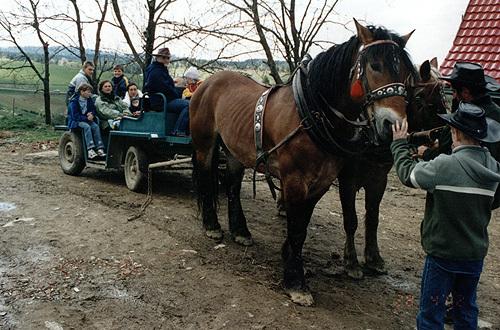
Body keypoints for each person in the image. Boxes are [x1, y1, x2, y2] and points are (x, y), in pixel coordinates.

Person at [391, 102, 500, 330]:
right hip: (473, 256)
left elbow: (407, 175)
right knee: (465, 309)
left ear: (456, 132)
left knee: (432, 313)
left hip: (443, 256)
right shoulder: (494, 169)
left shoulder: (445, 166)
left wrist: (399, 144)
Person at [417, 62, 500, 161]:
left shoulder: (465, 118)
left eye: (454, 91)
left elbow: (449, 158)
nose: (454, 96)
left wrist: (426, 153)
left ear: (465, 92)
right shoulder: (496, 112)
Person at [143, 47, 190, 136]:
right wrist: (178, 93)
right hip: (161, 101)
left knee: (187, 102)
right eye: (164, 57)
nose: (167, 60)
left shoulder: (160, 69)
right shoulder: (156, 71)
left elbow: (167, 86)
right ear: (158, 58)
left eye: (168, 57)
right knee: (189, 105)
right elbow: (165, 88)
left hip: (164, 99)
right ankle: (178, 130)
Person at [67, 83, 106, 159]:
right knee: (86, 127)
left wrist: (92, 115)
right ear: (82, 92)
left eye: (90, 92)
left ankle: (99, 148)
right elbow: (75, 116)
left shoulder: (89, 100)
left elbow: (93, 109)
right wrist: (86, 118)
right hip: (76, 121)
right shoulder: (74, 102)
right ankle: (90, 149)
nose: (90, 94)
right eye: (88, 92)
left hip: (87, 119)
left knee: (95, 126)